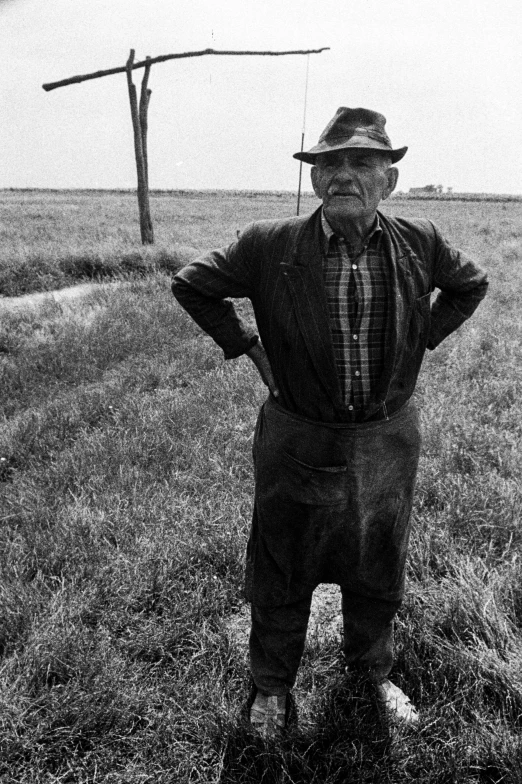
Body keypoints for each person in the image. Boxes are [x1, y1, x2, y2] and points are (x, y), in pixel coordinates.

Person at [171, 107, 488, 739]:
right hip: (297, 437)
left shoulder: (420, 240)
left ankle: (371, 675)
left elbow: (470, 284)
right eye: (330, 164)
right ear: (315, 180)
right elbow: (192, 283)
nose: (344, 174)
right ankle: (270, 689)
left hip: (386, 439)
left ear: (388, 180)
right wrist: (248, 346)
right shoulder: (269, 243)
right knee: (281, 563)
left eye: (362, 162)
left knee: (378, 563)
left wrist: (422, 335)